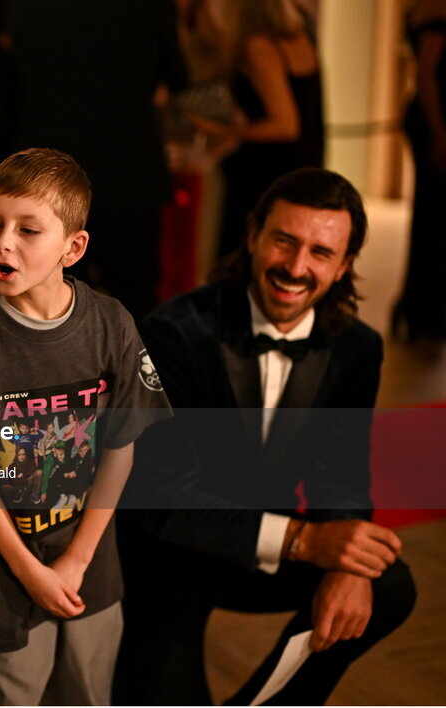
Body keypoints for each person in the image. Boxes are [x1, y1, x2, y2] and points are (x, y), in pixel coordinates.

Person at [115, 168, 418, 705]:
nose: (296, 268)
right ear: (253, 235)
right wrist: (307, 541)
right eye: (284, 241)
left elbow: (341, 475)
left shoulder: (356, 348)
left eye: (321, 253)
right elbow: (162, 499)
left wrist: (347, 561)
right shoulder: (174, 333)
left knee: (386, 581)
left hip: (260, 551)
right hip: (168, 557)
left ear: (345, 265)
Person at [0, 148, 171, 705]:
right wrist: (29, 570)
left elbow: (120, 448)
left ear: (74, 246)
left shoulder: (111, 324)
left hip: (91, 569)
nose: (3, 242)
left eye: (28, 229)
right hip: (2, 580)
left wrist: (78, 559)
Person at [5, 0, 187, 320]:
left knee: (48, 293)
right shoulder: (148, 6)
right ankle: (132, 368)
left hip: (50, 169)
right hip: (127, 166)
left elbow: (16, 73)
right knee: (136, 294)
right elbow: (178, 75)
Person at [191, 0, 325, 259]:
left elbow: (286, 125)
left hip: (263, 175)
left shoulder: (259, 47)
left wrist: (226, 132)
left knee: (247, 260)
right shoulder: (300, 39)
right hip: (300, 168)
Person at [393, 0, 446, 340]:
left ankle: (422, 311)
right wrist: (440, 132)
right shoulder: (436, 9)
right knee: (433, 220)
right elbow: (426, 74)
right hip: (435, 121)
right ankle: (423, 313)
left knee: (433, 219)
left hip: (433, 121)